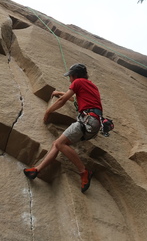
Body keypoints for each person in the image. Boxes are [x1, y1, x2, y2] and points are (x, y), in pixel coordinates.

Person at [23, 63, 103, 193]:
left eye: (70, 76)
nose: (69, 79)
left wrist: (48, 112)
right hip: (93, 123)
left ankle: (84, 172)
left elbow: (62, 101)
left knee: (60, 143)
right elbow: (76, 101)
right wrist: (60, 92)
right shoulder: (92, 86)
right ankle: (37, 170)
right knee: (58, 144)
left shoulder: (78, 82)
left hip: (87, 121)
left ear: (75, 75)